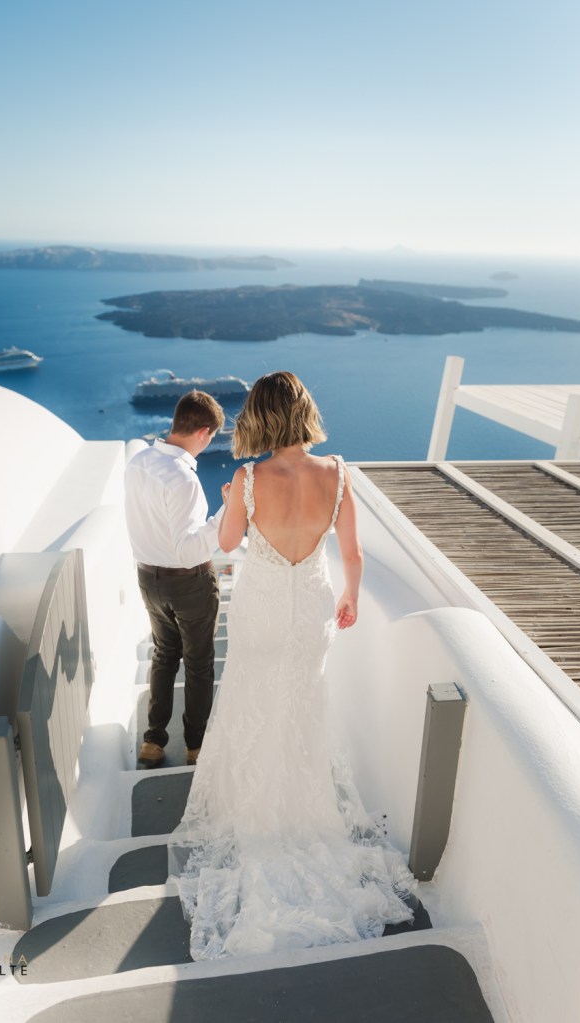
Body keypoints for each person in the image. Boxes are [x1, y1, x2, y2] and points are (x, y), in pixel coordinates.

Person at [168, 371, 416, 960]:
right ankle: (304, 814)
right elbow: (351, 552)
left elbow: (228, 544)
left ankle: (256, 814)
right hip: (311, 605)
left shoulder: (249, 477)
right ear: (304, 412)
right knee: (302, 706)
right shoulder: (339, 474)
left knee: (252, 701)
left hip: (261, 607)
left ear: (258, 416)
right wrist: (350, 596)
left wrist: (232, 502)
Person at [124, 390, 226, 768]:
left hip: (147, 578)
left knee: (164, 656)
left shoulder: (137, 463)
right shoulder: (184, 480)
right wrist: (225, 514)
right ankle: (196, 745)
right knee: (198, 663)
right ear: (203, 431)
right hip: (188, 583)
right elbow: (188, 551)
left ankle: (153, 741)